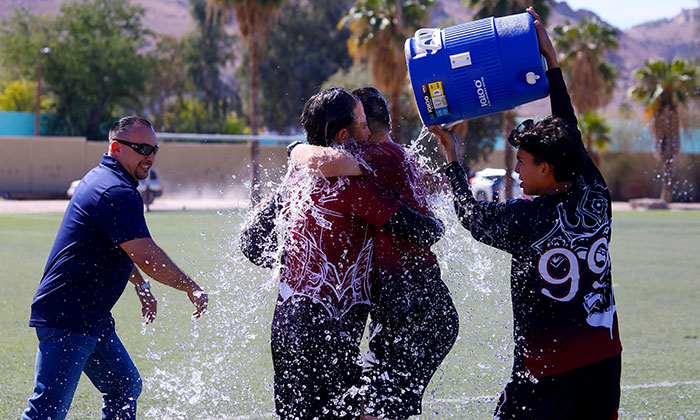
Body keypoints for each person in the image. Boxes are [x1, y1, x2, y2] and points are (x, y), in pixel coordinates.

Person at [429, 8, 622, 420]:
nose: (517, 169)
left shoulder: (528, 219)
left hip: (548, 368)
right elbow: (569, 128)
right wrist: (552, 65)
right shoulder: (595, 193)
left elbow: (471, 217)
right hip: (605, 356)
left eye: (523, 161)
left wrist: (452, 159)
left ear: (546, 169)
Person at [240, 87, 445, 420]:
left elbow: (250, 243)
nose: (369, 133)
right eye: (364, 124)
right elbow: (424, 231)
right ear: (343, 135)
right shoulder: (353, 187)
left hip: (288, 325)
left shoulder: (297, 177)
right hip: (329, 335)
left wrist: (300, 263)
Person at [23, 116, 208, 420]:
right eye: (141, 148)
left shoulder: (105, 180)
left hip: (90, 316)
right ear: (116, 147)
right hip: (68, 317)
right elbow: (145, 254)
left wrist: (141, 285)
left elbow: (120, 246)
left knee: (125, 387)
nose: (149, 156)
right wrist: (190, 285)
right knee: (46, 411)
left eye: (154, 149)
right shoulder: (114, 190)